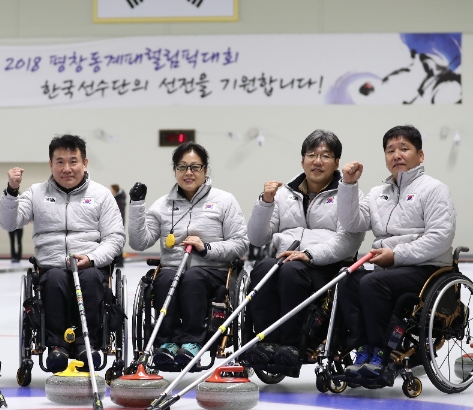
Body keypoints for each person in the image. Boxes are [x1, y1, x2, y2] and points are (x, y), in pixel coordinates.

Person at [0, 134, 125, 372]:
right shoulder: (36, 193)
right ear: (51, 164)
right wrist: (12, 191)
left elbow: (115, 237)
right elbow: (8, 222)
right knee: (55, 280)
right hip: (51, 265)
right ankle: (57, 346)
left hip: (89, 265)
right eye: (60, 162)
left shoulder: (101, 195)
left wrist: (93, 258)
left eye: (73, 161)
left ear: (85, 163)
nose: (67, 168)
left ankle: (89, 344)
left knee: (91, 279)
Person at [240, 130, 365, 373]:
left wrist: (310, 255)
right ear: (302, 160)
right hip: (285, 261)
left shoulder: (347, 193)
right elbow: (257, 238)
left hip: (327, 267)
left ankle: (291, 345)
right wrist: (265, 202)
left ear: (336, 162)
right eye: (311, 155)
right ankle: (265, 342)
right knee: (262, 268)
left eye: (325, 156)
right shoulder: (284, 194)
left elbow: (349, 240)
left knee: (292, 272)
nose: (317, 161)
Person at [337, 125, 456, 378]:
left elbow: (440, 238)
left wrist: (397, 255)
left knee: (372, 283)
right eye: (390, 150)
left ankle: (383, 354)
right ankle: (363, 350)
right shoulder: (378, 193)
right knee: (347, 279)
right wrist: (348, 185)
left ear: (420, 155)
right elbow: (351, 223)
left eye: (404, 148)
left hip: (427, 267)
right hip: (388, 268)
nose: (397, 155)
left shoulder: (434, 189)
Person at [128, 141, 248, 367]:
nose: (188, 173)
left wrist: (207, 248)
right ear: (175, 170)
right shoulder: (162, 205)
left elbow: (240, 244)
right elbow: (139, 242)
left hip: (212, 272)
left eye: (195, 167)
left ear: (205, 169)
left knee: (193, 278)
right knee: (164, 279)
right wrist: (136, 206)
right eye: (182, 167)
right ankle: (167, 343)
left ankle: (193, 342)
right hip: (173, 269)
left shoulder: (224, 201)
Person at [110, 184, 126, 267]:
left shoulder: (119, 200)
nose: (111, 191)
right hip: (117, 223)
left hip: (117, 223)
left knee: (117, 241)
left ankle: (119, 262)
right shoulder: (119, 198)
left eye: (112, 190)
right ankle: (118, 261)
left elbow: (118, 213)